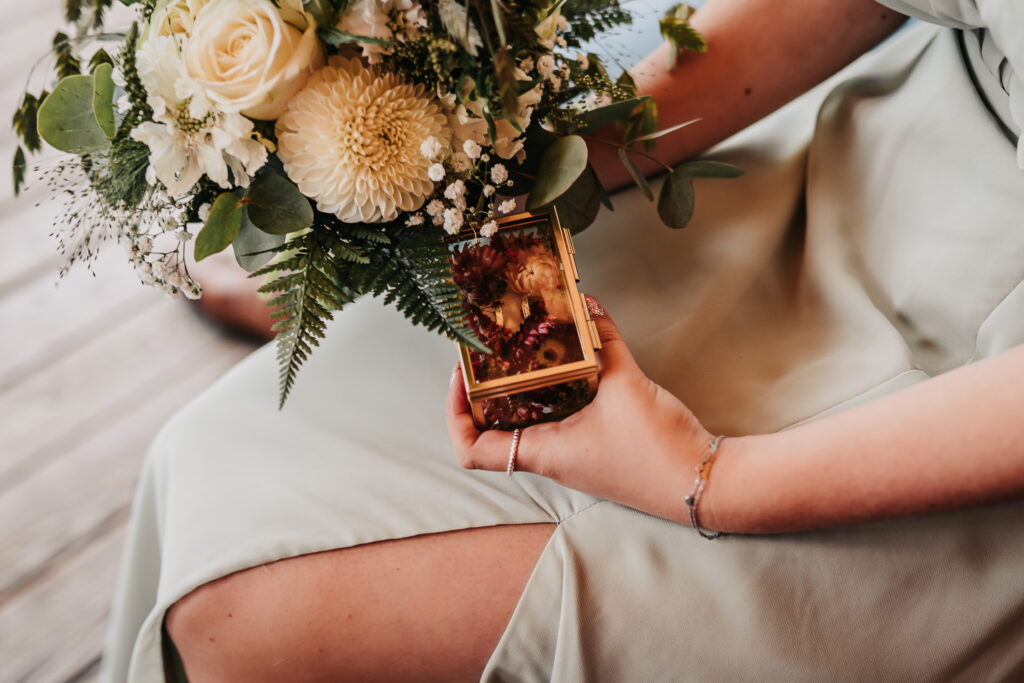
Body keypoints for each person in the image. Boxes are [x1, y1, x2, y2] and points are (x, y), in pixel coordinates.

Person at [103, 0, 1024, 681]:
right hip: (857, 155)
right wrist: (530, 161)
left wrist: (707, 475)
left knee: (241, 610)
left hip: (958, 415)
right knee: (214, 460)